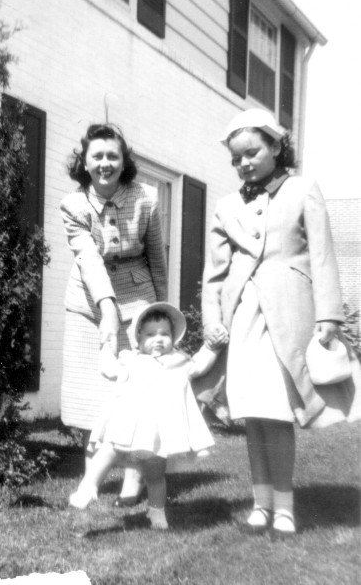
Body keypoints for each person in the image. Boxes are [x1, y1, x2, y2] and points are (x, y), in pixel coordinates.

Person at [201, 107, 359, 536]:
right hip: (243, 318)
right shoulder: (227, 206)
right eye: (235, 158)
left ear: (275, 146)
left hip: (288, 316)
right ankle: (260, 504)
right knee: (253, 414)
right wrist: (212, 318)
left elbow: (323, 256)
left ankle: (285, 507)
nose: (243, 163)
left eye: (251, 152)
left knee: (277, 412)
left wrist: (329, 314)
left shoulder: (303, 189)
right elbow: (215, 272)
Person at [60, 123, 168, 506]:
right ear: (85, 162)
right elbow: (88, 260)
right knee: (92, 396)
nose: (105, 163)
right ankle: (90, 481)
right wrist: (106, 307)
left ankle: (133, 482)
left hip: (138, 300)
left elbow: (156, 256)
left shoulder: (147, 198)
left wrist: (161, 312)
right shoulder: (73, 205)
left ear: (124, 162)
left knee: (135, 394)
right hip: (88, 303)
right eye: (97, 156)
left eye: (112, 156)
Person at [68, 302, 218, 530]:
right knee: (107, 451)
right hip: (127, 427)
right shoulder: (130, 359)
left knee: (155, 474)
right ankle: (88, 487)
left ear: (173, 337)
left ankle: (156, 511)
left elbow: (199, 366)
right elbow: (108, 369)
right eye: (150, 334)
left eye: (164, 334)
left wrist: (211, 347)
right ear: (138, 337)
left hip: (157, 434)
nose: (158, 339)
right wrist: (106, 346)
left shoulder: (179, 361)